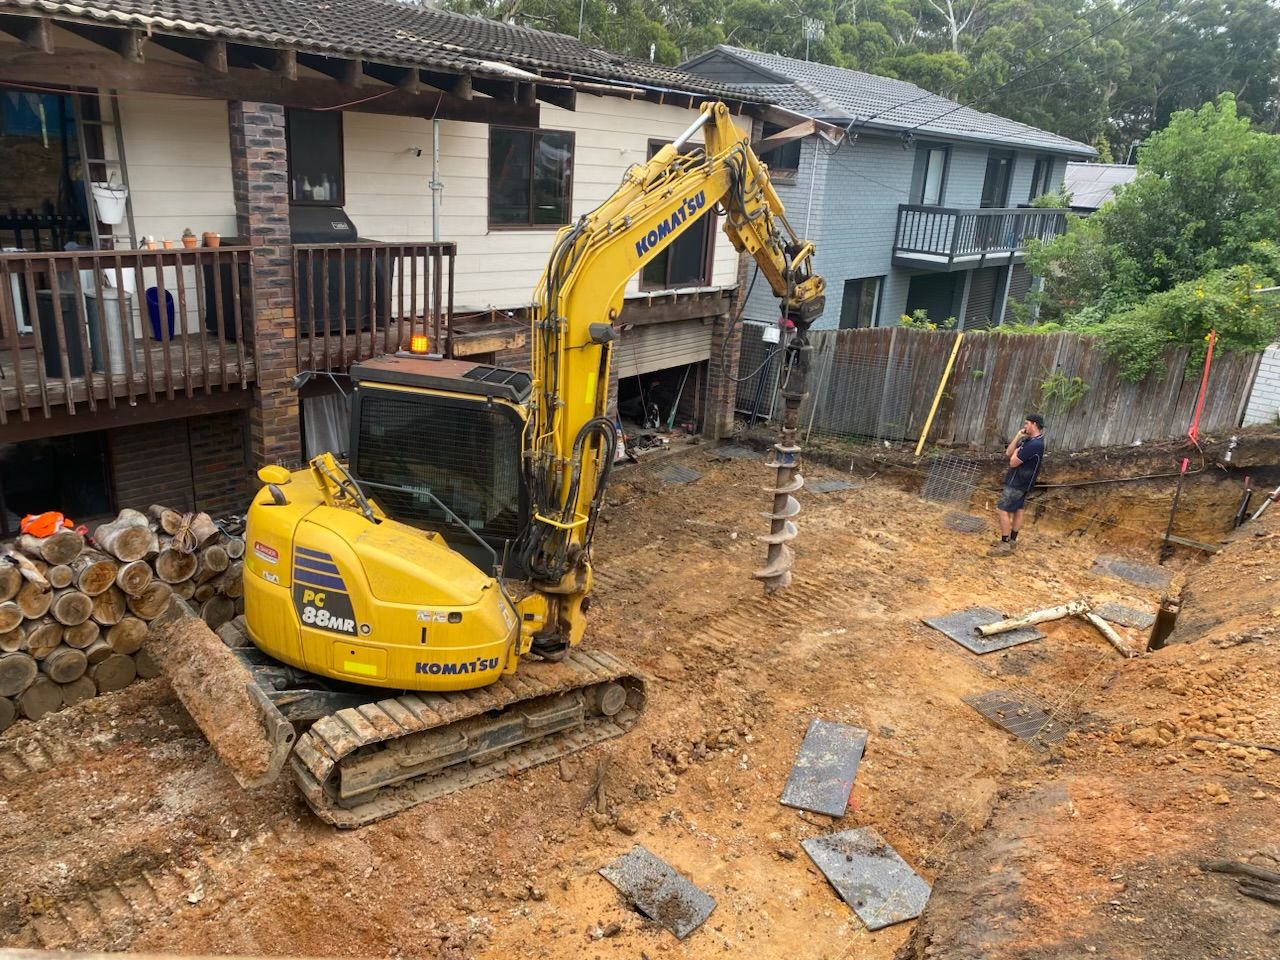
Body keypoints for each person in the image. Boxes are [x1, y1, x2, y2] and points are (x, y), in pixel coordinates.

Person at [989, 414, 1045, 556]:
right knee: (1018, 510)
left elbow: (1013, 461)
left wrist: (1017, 452)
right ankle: (1013, 540)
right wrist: (1018, 436)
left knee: (1002, 509)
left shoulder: (1035, 445)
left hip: (1018, 483)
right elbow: (1009, 452)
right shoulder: (1029, 440)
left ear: (1034, 424)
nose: (1024, 426)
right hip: (1022, 482)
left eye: (1027, 423)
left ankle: (1005, 544)